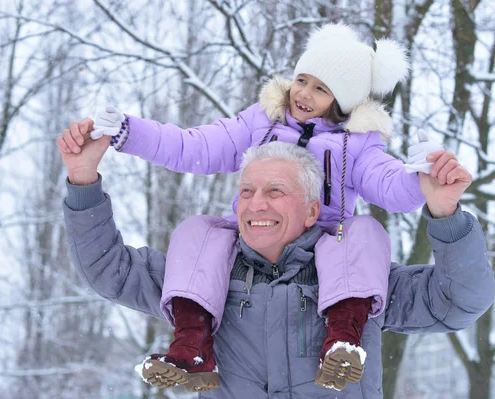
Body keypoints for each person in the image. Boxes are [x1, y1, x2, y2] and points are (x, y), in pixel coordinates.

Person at [58, 22, 445, 391]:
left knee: (364, 232)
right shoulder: (261, 122)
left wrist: (419, 180)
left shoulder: (357, 143)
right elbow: (195, 145)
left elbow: (389, 186)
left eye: (321, 89)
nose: (304, 94)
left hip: (326, 245)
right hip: (253, 236)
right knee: (198, 231)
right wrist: (128, 132)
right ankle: (192, 345)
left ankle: (342, 341)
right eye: (302, 80)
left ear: (342, 103)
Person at [58, 135, 494, 398]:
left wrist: (445, 215)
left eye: (274, 190)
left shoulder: (359, 279)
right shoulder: (204, 278)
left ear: (310, 211)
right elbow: (109, 268)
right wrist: (82, 181)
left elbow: (459, 302)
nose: (256, 203)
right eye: (246, 190)